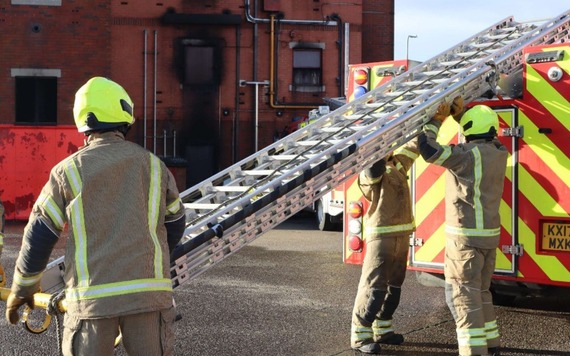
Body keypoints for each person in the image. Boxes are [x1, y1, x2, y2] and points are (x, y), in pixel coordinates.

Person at [5, 77, 186, 356]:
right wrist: (153, 261)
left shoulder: (68, 171)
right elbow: (175, 221)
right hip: (149, 297)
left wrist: (24, 287)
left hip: (92, 302)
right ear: (124, 113)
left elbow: (40, 231)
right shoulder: (153, 165)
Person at [418, 97, 507, 356]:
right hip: (488, 238)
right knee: (480, 292)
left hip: (465, 239)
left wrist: (436, 121)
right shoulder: (499, 152)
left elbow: (429, 150)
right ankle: (491, 345)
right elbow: (480, 133)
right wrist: (460, 116)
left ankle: (473, 351)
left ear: (469, 131)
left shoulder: (466, 156)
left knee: (461, 298)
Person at [350, 137, 419, 354]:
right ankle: (360, 335)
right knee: (374, 285)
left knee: (394, 285)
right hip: (381, 235)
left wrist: (435, 121)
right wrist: (377, 139)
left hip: (401, 233)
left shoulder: (396, 164)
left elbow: (414, 146)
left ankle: (383, 328)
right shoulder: (370, 170)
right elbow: (374, 169)